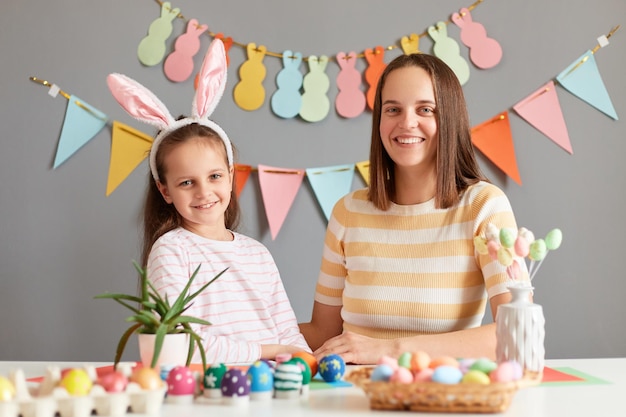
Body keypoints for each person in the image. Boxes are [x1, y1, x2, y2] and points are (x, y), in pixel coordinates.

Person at [299, 52, 528, 365]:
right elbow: (322, 333)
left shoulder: (484, 207)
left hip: (437, 397)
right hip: (351, 395)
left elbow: (516, 332)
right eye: (393, 109)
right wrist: (236, 337)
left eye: (426, 109)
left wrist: (388, 350)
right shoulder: (347, 213)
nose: (406, 123)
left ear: (449, 118)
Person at [107, 39, 310, 364]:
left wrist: (305, 362)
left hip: (269, 389)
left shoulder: (257, 254)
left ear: (230, 175)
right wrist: (268, 351)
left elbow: (288, 334)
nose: (204, 192)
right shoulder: (172, 251)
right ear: (165, 191)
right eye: (187, 182)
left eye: (214, 176)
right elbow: (179, 345)